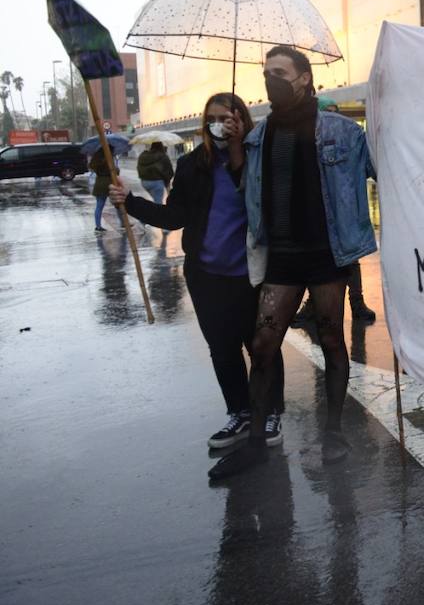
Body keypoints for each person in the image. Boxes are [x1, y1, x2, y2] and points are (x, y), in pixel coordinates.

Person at [208, 45, 376, 480]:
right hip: (281, 258)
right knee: (263, 346)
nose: (271, 79)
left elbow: (383, 168)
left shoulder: (344, 132)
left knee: (332, 340)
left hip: (326, 255)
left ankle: (334, 433)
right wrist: (232, 146)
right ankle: (257, 443)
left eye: (280, 72)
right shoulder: (259, 136)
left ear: (304, 78)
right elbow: (247, 188)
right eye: (266, 73)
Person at [112, 93, 286, 450]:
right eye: (214, 117)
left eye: (228, 116)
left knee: (262, 347)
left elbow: (272, 206)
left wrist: (239, 150)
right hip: (206, 276)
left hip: (252, 275)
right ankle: (239, 412)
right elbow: (175, 216)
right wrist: (130, 203)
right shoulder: (193, 165)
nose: (220, 123)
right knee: (222, 350)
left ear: (243, 120)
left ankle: (269, 412)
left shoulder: (259, 159)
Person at [293, 97, 377, 325]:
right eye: (328, 112)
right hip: (317, 221)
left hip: (344, 219)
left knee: (351, 261)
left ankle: (357, 304)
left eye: (335, 111)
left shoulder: (348, 137)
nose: (334, 117)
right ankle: (312, 305)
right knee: (318, 266)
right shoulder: (303, 141)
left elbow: (369, 169)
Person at [89, 150, 113, 233]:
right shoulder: (108, 159)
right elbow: (114, 171)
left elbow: (92, 167)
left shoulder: (96, 160)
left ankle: (98, 226)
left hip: (99, 183)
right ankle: (124, 223)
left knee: (99, 206)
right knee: (119, 204)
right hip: (108, 184)